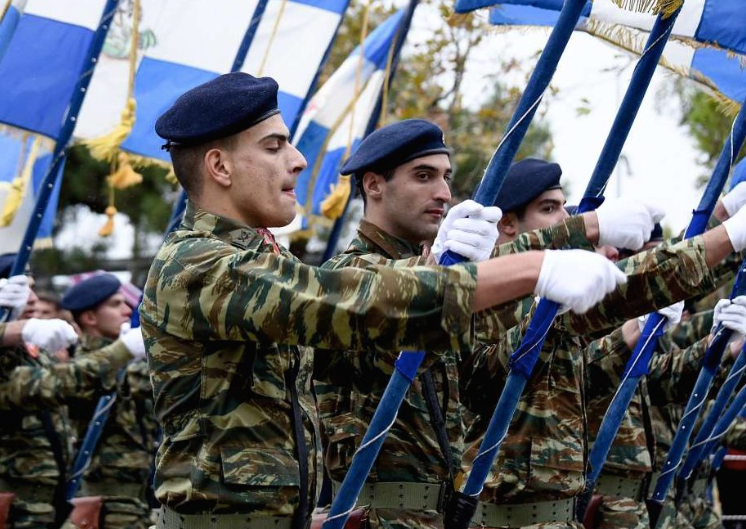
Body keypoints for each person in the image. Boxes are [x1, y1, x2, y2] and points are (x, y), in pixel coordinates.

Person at [141, 72, 626, 529]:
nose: (298, 159)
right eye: (274, 146)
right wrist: (534, 266)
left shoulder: (253, 256)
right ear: (219, 166)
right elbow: (350, 299)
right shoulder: (199, 263)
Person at [314, 119, 665, 529]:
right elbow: (414, 297)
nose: (443, 193)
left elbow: (478, 369)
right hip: (377, 517)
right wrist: (584, 229)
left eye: (446, 177)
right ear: (373, 185)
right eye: (423, 176)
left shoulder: (438, 272)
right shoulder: (349, 274)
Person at [459, 158, 746, 529]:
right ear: (508, 224)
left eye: (565, 207)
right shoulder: (481, 301)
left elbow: (593, 371)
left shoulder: (552, 302)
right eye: (550, 209)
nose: (565, 219)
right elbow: (484, 380)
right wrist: (726, 232)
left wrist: (630, 337)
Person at [0, 261, 147, 529]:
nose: (31, 299)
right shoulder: (84, 359)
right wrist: (122, 351)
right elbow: (52, 385)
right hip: (19, 506)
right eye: (22, 291)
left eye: (32, 289)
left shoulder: (32, 353)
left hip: (53, 505)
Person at [61, 274, 154, 529]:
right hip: (105, 503)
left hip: (136, 498)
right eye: (116, 305)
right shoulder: (85, 371)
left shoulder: (124, 364)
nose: (127, 310)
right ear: (90, 318)